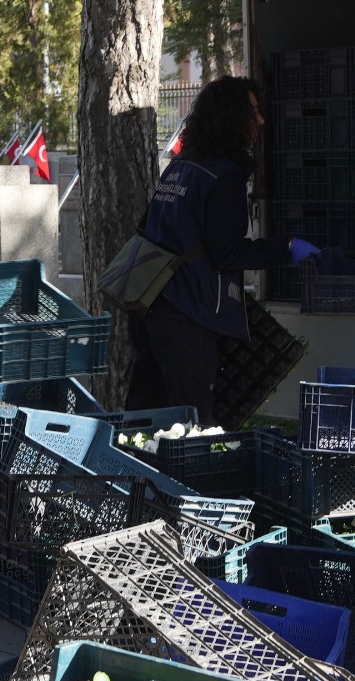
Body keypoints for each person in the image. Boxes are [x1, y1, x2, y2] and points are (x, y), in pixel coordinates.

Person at [124, 76, 317, 422]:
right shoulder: (224, 177)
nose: (260, 121)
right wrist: (285, 248)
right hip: (187, 310)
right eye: (253, 112)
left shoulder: (180, 168)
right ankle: (187, 476)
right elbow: (227, 253)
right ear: (232, 117)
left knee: (146, 412)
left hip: (148, 304)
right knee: (190, 419)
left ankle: (134, 473)